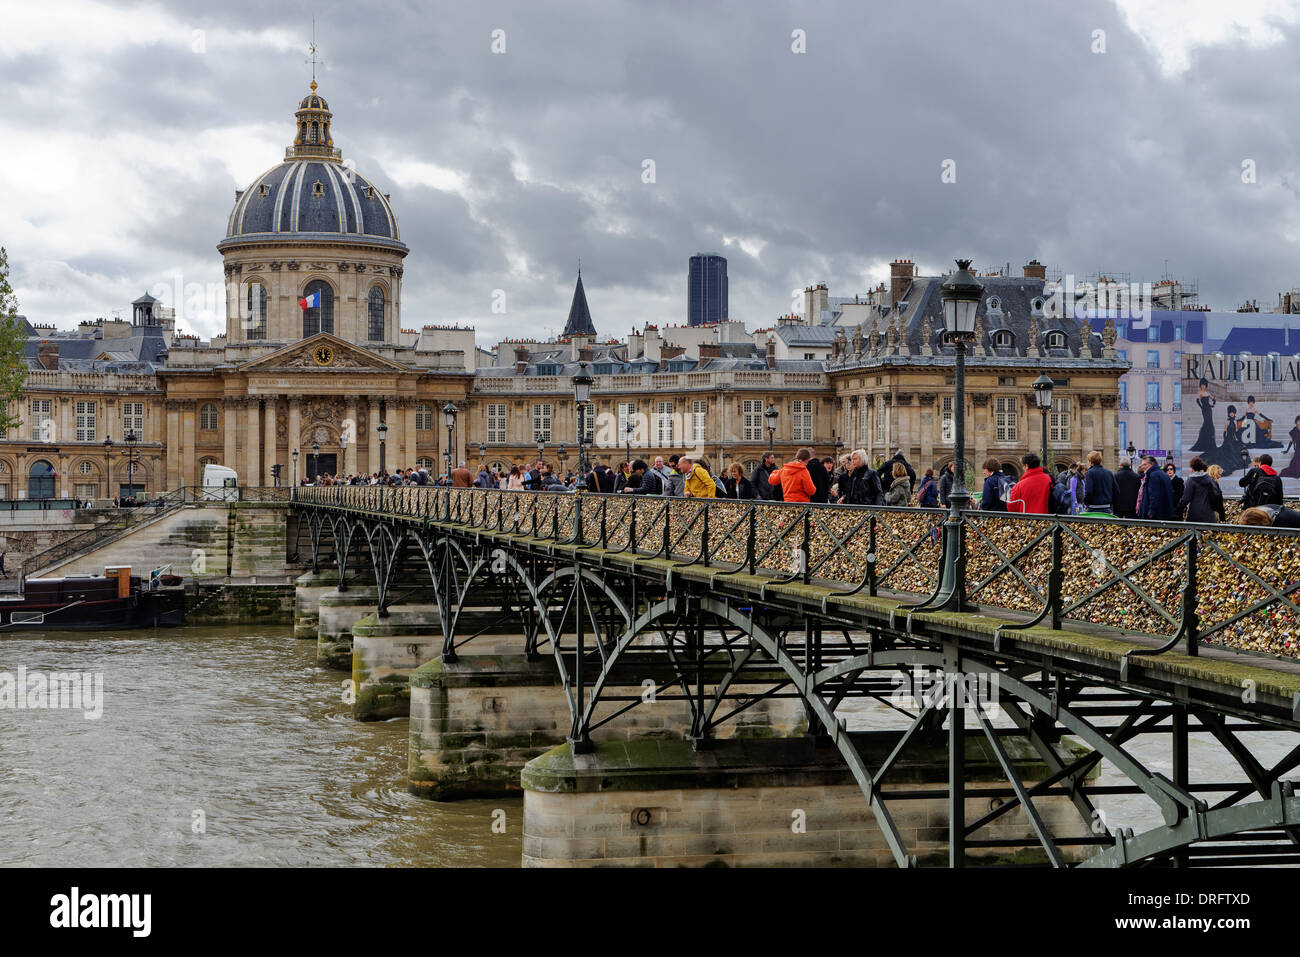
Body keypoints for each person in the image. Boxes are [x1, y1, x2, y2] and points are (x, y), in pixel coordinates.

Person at [1178, 456, 1224, 524]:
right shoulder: (1211, 480)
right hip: (1209, 515)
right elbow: (1218, 497)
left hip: (1194, 515)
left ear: (1192, 468)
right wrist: (1222, 515)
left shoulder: (1191, 480)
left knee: (1194, 534)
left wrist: (1177, 510)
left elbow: (1186, 499)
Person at [1137, 455, 1175, 521]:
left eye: (1144, 465)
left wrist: (1151, 512)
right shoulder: (1163, 474)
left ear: (1151, 464)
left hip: (1155, 515)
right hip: (1164, 513)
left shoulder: (1153, 475)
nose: (1142, 467)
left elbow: (1154, 495)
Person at [1082, 450, 1116, 514]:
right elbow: (1116, 490)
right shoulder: (1109, 473)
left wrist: (1086, 503)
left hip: (1093, 508)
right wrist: (1111, 505)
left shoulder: (1090, 473)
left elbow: (1089, 491)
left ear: (1091, 462)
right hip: (1106, 507)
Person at [1190, 378, 1217, 451]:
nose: (1203, 386)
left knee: (1210, 423)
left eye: (1204, 385)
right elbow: (1197, 400)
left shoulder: (1208, 393)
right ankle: (1203, 443)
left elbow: (1214, 399)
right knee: (1206, 422)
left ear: (1206, 386)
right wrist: (1201, 407)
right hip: (1204, 410)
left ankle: (1209, 443)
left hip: (1209, 409)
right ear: (1200, 385)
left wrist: (1213, 404)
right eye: (1202, 385)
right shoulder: (1200, 393)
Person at [1281, 415, 1300, 480]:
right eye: (1298, 423)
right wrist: (1287, 450)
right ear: (1296, 422)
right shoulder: (1294, 429)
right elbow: (1291, 441)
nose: (1299, 424)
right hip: (1298, 450)